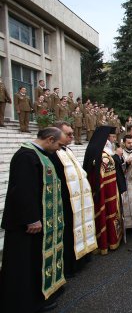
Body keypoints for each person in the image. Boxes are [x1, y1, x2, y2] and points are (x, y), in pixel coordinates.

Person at [0, 127, 66, 312]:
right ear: (50, 139)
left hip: (37, 220)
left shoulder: (39, 155)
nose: (60, 149)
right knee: (23, 265)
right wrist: (31, 219)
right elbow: (22, 191)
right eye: (59, 144)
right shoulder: (25, 156)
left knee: (33, 262)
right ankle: (22, 303)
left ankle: (37, 297)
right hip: (26, 223)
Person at [48, 121, 97, 277]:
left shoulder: (67, 150)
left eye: (71, 134)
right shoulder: (52, 153)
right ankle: (70, 265)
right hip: (66, 200)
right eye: (68, 134)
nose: (71, 136)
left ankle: (82, 258)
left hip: (78, 199)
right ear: (57, 134)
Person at [83, 126, 123, 254]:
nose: (113, 140)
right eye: (111, 137)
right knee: (106, 213)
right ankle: (105, 242)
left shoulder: (104, 152)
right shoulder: (101, 154)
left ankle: (113, 239)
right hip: (104, 191)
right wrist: (116, 156)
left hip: (111, 189)